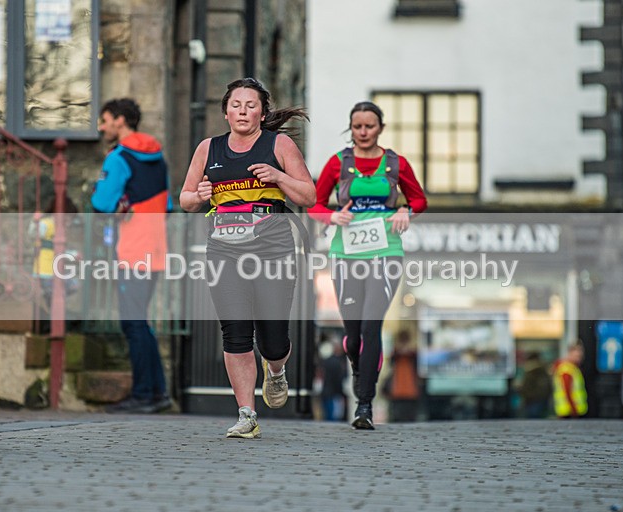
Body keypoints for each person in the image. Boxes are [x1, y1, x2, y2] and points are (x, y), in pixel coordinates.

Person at [180, 77, 315, 439]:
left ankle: (276, 370)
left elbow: (309, 196)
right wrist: (201, 195)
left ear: (262, 112)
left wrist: (278, 176)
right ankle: (246, 414)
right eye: (236, 105)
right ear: (225, 112)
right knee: (235, 332)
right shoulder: (208, 148)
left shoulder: (279, 144)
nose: (243, 111)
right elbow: (186, 199)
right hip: (224, 248)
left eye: (250, 105)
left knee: (272, 338)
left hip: (272, 247)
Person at [308, 101, 427, 430]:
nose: (363, 132)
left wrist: (406, 211)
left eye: (369, 126)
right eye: (357, 126)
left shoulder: (395, 163)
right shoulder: (338, 163)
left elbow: (419, 199)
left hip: (386, 251)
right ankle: (358, 363)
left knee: (372, 325)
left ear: (380, 128)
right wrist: (332, 215)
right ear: (351, 128)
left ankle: (365, 405)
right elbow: (314, 205)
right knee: (354, 335)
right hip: (346, 253)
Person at [91, 98, 172, 414]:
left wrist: (117, 208)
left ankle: (143, 395)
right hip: (155, 248)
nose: (101, 127)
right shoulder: (159, 156)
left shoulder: (119, 157)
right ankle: (157, 393)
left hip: (130, 249)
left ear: (121, 121)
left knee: (133, 323)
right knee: (141, 322)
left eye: (105, 120)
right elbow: (165, 208)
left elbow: (101, 204)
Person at [382, 330, 421, 422]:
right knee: (400, 412)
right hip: (400, 386)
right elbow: (391, 363)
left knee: (407, 412)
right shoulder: (396, 352)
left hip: (407, 387)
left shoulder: (413, 353)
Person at [552, 340, 588, 418]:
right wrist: (574, 409)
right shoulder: (567, 369)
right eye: (577, 356)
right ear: (570, 353)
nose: (579, 358)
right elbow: (567, 391)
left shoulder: (573, 368)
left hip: (570, 411)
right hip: (569, 412)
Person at [317, 336, 348, 421]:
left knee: (327, 416)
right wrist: (341, 393)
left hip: (325, 392)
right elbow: (338, 380)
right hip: (334, 394)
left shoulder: (326, 361)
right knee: (334, 418)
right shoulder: (338, 363)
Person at [516, 351, 552, 418]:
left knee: (533, 422)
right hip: (540, 401)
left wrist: (521, 390)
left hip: (533, 402)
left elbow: (528, 387)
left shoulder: (532, 372)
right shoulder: (543, 371)